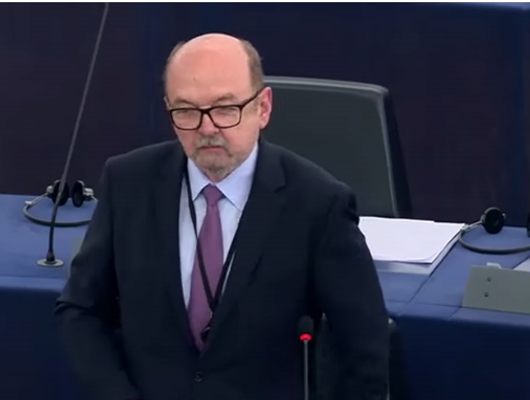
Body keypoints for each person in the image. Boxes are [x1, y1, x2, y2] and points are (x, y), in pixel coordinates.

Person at [55, 33, 390, 400]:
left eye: (225, 108)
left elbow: (364, 348)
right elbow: (80, 310)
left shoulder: (318, 204)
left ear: (263, 107)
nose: (207, 128)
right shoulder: (128, 184)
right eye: (186, 110)